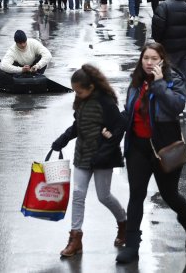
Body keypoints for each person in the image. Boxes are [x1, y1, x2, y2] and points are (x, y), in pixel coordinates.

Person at [117, 43, 186, 264]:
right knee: (136, 195)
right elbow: (128, 113)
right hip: (138, 147)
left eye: (154, 58)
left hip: (164, 147)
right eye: (146, 58)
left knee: (169, 195)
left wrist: (160, 83)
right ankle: (132, 245)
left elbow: (176, 106)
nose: (149, 62)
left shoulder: (174, 80)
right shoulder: (136, 82)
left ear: (162, 60)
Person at [51, 64, 128, 258]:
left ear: (91, 87)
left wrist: (106, 147)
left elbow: (119, 126)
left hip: (102, 159)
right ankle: (75, 238)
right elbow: (78, 125)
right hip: (82, 156)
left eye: (79, 90)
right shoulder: (81, 101)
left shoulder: (106, 102)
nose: (77, 93)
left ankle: (124, 223)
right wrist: (62, 139)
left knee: (104, 196)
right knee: (78, 194)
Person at [151, 0, 186, 88]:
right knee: (183, 77)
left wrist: (159, 43)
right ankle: (181, 98)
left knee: (168, 76)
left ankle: (169, 99)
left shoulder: (164, 6)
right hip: (184, 50)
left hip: (168, 49)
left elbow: (157, 29)